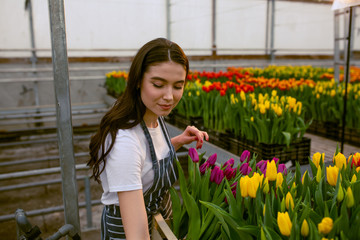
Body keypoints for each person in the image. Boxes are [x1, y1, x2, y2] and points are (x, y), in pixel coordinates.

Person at [88, 38, 209, 240]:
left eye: (178, 86)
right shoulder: (124, 142)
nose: (169, 96)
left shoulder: (153, 115)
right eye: (158, 84)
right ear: (138, 80)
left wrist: (178, 141)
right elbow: (137, 236)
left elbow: (146, 162)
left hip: (157, 219)